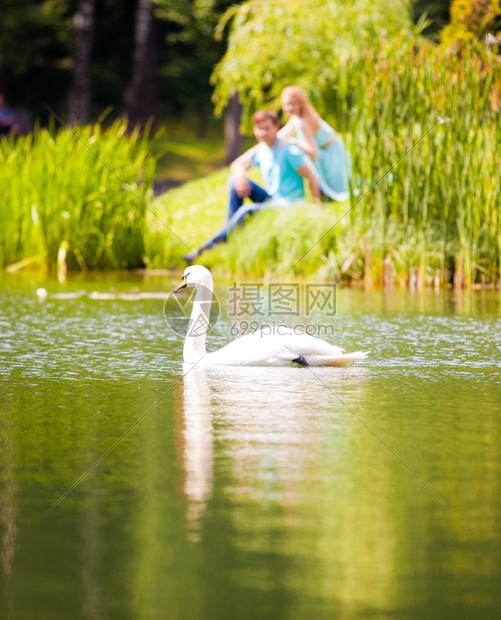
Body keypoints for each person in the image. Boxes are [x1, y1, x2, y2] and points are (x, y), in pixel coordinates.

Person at [183, 109, 320, 262]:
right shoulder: (262, 150)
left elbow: (312, 179)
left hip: (288, 205)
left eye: (267, 128)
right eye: (259, 129)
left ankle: (204, 248)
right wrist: (240, 176)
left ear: (276, 128)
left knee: (247, 210)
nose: (263, 132)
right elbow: (237, 165)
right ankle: (230, 231)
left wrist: (315, 207)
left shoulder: (288, 150)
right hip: (272, 199)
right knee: (234, 180)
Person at [278, 86, 351, 201]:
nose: (290, 107)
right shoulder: (296, 118)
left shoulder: (303, 122)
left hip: (332, 154)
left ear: (301, 103)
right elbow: (280, 136)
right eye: (287, 104)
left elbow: (314, 153)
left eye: (294, 103)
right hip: (330, 150)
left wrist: (294, 142)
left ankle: (317, 200)